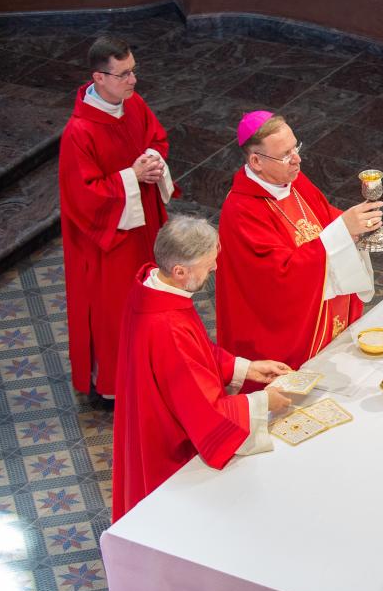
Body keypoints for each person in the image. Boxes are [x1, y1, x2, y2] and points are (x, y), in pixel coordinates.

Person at [111, 216, 294, 521]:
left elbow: (195, 355)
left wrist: (246, 368)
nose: (215, 268)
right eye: (208, 264)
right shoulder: (167, 326)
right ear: (180, 271)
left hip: (149, 410)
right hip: (166, 439)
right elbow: (204, 412)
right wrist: (264, 402)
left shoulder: (151, 289)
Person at [59, 35, 177, 398]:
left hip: (146, 227)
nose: (133, 80)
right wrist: (132, 176)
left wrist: (153, 159)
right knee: (116, 310)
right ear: (99, 77)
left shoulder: (134, 103)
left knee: (152, 297)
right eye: (123, 74)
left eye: (133, 71)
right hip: (110, 241)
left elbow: (156, 138)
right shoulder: (79, 132)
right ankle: (116, 384)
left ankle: (153, 367)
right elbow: (83, 195)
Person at [216, 111, 380, 371]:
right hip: (278, 331)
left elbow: (324, 216)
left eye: (296, 147)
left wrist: (356, 226)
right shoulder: (241, 211)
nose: (297, 159)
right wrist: (343, 230)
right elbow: (279, 276)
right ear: (256, 161)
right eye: (285, 155)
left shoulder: (293, 180)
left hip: (326, 310)